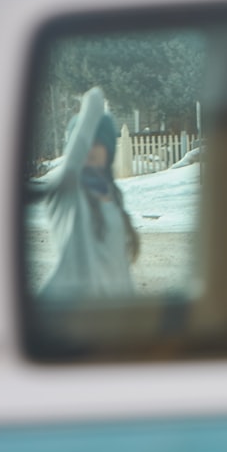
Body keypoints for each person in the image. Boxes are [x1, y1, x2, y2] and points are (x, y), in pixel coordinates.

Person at [38, 86, 140, 299]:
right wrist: (98, 91)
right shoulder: (65, 190)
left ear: (109, 149)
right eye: (86, 143)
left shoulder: (113, 196)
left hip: (108, 322)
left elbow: (120, 270)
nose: (91, 148)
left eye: (99, 143)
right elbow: (93, 105)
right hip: (67, 317)